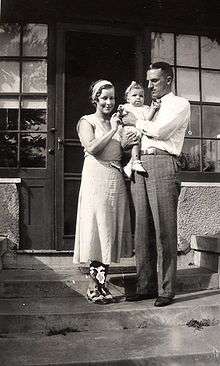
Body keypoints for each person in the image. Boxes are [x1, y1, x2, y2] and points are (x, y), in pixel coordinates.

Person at [127, 62, 190, 307]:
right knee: (142, 229)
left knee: (164, 229)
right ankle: (145, 286)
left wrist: (136, 122)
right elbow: (133, 134)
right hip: (140, 163)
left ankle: (167, 289)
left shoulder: (179, 104)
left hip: (163, 162)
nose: (150, 85)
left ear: (169, 80)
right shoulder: (147, 107)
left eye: (155, 80)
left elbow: (161, 131)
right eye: (148, 81)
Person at [73, 79, 133, 304]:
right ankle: (92, 287)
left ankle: (101, 284)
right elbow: (93, 148)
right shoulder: (86, 122)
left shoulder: (117, 123)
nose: (109, 102)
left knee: (107, 231)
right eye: (104, 97)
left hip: (114, 179)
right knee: (97, 230)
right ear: (95, 99)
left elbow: (123, 151)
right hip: (96, 178)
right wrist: (114, 130)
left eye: (112, 98)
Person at [118, 81, 160, 178]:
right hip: (130, 130)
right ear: (128, 98)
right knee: (135, 142)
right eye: (134, 95)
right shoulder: (127, 107)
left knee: (141, 143)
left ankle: (130, 165)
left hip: (140, 129)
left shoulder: (145, 108)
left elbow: (147, 120)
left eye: (141, 96)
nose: (138, 98)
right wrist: (120, 111)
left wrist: (153, 109)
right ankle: (136, 162)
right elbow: (121, 117)